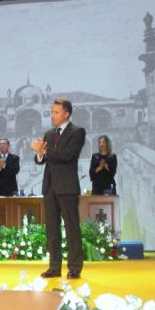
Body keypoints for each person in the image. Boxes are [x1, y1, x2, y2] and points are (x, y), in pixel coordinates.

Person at [30, 98, 86, 279]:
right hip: (50, 187)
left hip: (67, 187)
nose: (52, 115)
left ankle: (75, 267)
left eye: (55, 112)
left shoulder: (77, 132)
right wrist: (39, 153)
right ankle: (54, 267)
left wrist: (45, 151)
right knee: (52, 229)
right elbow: (41, 161)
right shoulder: (49, 133)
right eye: (51, 112)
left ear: (66, 114)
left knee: (71, 228)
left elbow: (68, 155)